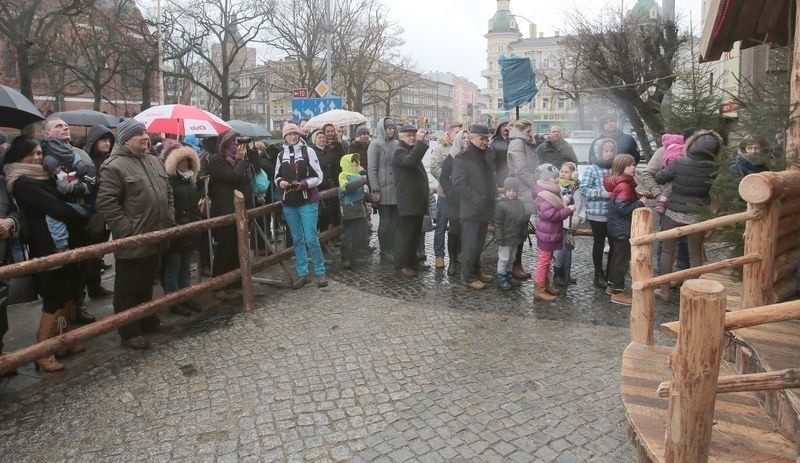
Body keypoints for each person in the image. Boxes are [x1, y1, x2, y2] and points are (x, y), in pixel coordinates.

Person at [5, 136, 87, 370]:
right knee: (54, 293)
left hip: (62, 239)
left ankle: (63, 340)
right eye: (31, 154)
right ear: (18, 156)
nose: (37, 158)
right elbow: (55, 206)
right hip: (46, 242)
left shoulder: (43, 176)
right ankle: (42, 350)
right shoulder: (22, 181)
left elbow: (62, 196)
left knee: (69, 289)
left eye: (40, 153)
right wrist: (80, 214)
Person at [96, 118, 175, 350]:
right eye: (138, 134)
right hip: (133, 238)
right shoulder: (114, 165)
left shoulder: (154, 161)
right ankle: (129, 331)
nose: (145, 137)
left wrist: (168, 218)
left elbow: (168, 193)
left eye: (145, 132)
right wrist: (126, 231)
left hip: (157, 234)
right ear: (125, 140)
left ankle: (148, 319)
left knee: (146, 283)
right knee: (127, 287)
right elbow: (106, 202)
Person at [41, 117, 98, 324]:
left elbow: (91, 182)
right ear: (46, 134)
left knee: (81, 269)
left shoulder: (79, 154)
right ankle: (60, 321)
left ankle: (78, 306)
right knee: (61, 276)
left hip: (81, 216)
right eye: (58, 126)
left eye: (66, 125)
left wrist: (78, 186)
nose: (64, 127)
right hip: (56, 219)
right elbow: (50, 188)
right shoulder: (43, 156)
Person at [654, 130, 722, 302]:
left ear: (692, 145)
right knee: (695, 254)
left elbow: (660, 177)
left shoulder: (679, 162)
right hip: (697, 214)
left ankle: (664, 291)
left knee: (668, 251)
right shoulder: (714, 168)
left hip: (673, 213)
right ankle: (696, 293)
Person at [274, 123, 328, 288]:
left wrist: (304, 183)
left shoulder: (308, 151)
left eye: (295, 134)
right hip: (289, 202)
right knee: (297, 240)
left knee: (311, 238)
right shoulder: (280, 155)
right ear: (285, 137)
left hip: (307, 201)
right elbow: (276, 176)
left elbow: (318, 176)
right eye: (289, 134)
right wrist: (281, 182)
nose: (293, 136)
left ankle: (320, 272)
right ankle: (302, 274)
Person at [451, 124, 496, 290]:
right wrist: (477, 199)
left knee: (479, 244)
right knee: (470, 245)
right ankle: (468, 276)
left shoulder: (485, 155)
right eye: (482, 139)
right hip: (472, 208)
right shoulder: (463, 157)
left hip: (485, 207)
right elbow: (458, 183)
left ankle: (477, 271)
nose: (485, 142)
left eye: (487, 139)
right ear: (472, 138)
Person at [207, 130, 254, 278]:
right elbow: (232, 177)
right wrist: (240, 161)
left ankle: (236, 281)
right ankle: (220, 283)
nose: (237, 144)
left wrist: (251, 151)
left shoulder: (241, 158)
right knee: (225, 248)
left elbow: (258, 168)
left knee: (238, 248)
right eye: (234, 141)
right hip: (225, 209)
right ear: (224, 143)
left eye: (238, 141)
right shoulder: (217, 159)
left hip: (241, 209)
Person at [162, 145, 202, 316]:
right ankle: (173, 301)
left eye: (187, 160)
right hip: (176, 229)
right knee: (173, 268)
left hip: (189, 229)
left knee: (185, 267)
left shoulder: (190, 180)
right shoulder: (169, 181)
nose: (185, 164)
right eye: (181, 160)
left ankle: (185, 296)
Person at [603, 154, 647, 305]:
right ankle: (617, 292)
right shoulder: (624, 185)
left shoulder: (619, 182)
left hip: (615, 228)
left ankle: (610, 286)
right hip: (622, 229)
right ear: (622, 167)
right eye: (630, 165)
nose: (634, 167)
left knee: (616, 258)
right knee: (621, 261)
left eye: (634, 164)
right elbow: (623, 208)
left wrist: (635, 197)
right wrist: (640, 203)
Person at [532, 164, 575, 301]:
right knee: (544, 261)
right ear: (546, 178)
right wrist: (568, 210)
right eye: (555, 177)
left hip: (549, 232)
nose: (558, 179)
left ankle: (545, 285)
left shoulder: (550, 192)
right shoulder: (545, 194)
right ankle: (539, 289)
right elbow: (551, 215)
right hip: (547, 233)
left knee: (547, 259)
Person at [392, 125, 430, 276]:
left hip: (416, 200)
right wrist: (420, 143)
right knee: (405, 235)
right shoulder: (399, 151)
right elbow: (411, 161)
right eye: (408, 135)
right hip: (407, 201)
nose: (412, 137)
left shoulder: (409, 150)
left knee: (415, 234)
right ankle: (402, 264)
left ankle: (413, 261)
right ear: (400, 137)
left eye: (414, 135)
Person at [580, 138, 615, 290]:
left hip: (614, 212)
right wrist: (602, 193)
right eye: (606, 151)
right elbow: (584, 189)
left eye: (612, 150)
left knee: (614, 243)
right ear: (599, 152)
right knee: (599, 243)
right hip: (597, 212)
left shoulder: (616, 168)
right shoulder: (592, 169)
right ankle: (598, 273)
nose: (609, 154)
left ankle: (611, 273)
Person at [505, 119, 538, 280]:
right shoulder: (518, 143)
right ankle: (514, 265)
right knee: (518, 231)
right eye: (528, 131)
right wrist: (535, 185)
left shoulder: (525, 142)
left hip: (525, 191)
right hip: (522, 191)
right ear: (520, 131)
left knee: (521, 230)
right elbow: (521, 169)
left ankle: (516, 264)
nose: (530, 134)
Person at [429, 123, 461, 269]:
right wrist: (449, 179)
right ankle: (439, 256)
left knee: (458, 226)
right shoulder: (439, 148)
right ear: (449, 133)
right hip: (444, 194)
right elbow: (434, 168)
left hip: (459, 196)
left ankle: (458, 254)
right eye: (457, 132)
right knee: (441, 226)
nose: (459, 134)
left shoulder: (463, 148)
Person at [367, 118, 399, 261]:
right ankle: (384, 250)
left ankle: (392, 248)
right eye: (389, 128)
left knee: (394, 222)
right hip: (383, 189)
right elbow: (372, 169)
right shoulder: (375, 145)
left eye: (393, 128)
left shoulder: (397, 144)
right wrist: (375, 189)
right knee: (385, 221)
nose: (392, 130)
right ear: (383, 129)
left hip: (396, 190)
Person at [439, 129, 469, 276]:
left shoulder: (473, 156)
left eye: (468, 138)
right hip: (454, 200)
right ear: (458, 140)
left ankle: (464, 257)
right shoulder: (451, 157)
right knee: (454, 230)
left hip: (469, 199)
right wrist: (449, 191)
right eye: (463, 138)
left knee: (468, 230)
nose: (466, 140)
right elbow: (443, 177)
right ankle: (452, 260)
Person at [553, 161, 585, 290]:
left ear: (574, 174)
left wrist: (582, 215)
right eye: (562, 171)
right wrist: (568, 193)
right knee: (563, 248)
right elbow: (561, 203)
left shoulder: (577, 188)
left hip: (573, 221)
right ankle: (557, 272)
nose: (563, 174)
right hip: (563, 221)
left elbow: (581, 203)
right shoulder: (559, 188)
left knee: (569, 248)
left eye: (566, 172)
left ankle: (566, 274)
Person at [493, 177, 527, 290]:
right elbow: (498, 223)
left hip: (516, 237)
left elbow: (522, 222)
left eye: (514, 191)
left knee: (512, 258)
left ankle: (508, 274)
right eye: (509, 190)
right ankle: (501, 277)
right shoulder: (501, 204)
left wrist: (523, 234)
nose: (512, 193)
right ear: (505, 191)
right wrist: (499, 236)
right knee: (504, 258)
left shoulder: (520, 204)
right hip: (505, 237)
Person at [337, 153, 369, 269]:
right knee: (348, 235)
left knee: (358, 234)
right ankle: (345, 257)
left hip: (360, 209)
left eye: (357, 161)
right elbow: (346, 188)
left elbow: (362, 193)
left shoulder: (357, 175)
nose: (356, 163)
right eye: (353, 161)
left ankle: (355, 256)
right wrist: (362, 180)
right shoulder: (343, 175)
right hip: (349, 210)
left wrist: (370, 196)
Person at [654, 133, 685, 214]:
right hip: (679, 170)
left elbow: (665, 160)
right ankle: (662, 201)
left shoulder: (666, 149)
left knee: (669, 187)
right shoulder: (682, 148)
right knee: (671, 187)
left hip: (668, 169)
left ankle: (661, 201)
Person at [491, 119, 511, 187]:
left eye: (507, 126)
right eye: (503, 126)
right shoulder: (494, 143)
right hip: (501, 175)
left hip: (514, 174)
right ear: (499, 128)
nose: (506, 128)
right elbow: (492, 162)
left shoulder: (515, 140)